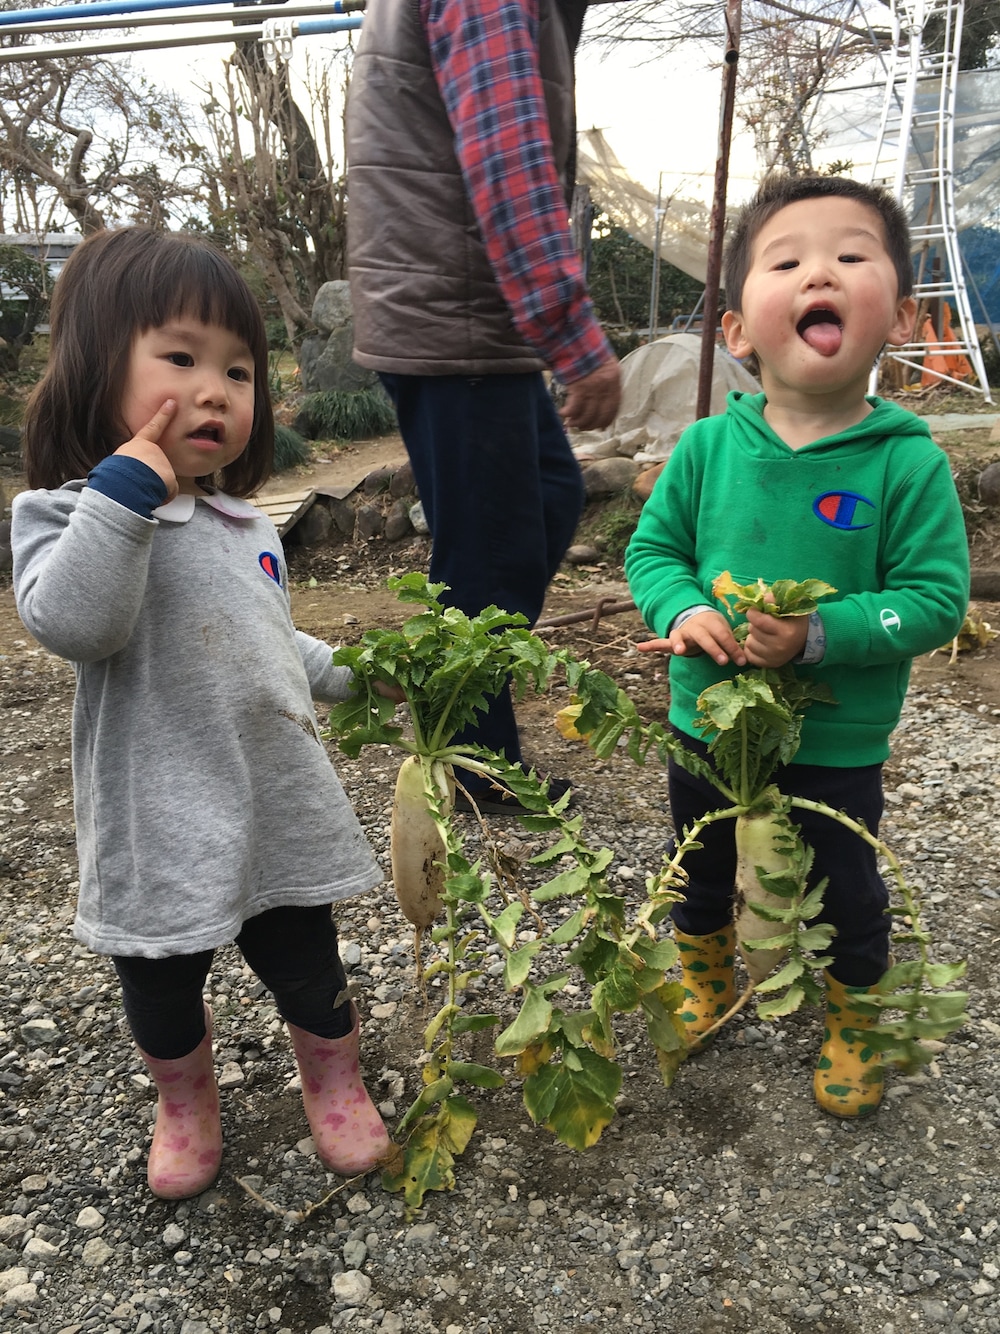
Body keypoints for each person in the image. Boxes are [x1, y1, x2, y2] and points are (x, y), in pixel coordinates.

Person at [11, 228, 392, 1199]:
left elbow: (273, 643)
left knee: (308, 962)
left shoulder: (249, 524)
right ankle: (184, 1103)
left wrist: (365, 674)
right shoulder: (64, 513)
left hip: (275, 797)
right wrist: (125, 493)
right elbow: (76, 623)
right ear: (96, 367)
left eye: (238, 370)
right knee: (162, 981)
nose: (216, 390)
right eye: (181, 358)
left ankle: (334, 1080)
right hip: (158, 814)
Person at [624, 174, 969, 1118]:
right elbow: (653, 553)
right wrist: (680, 610)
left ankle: (857, 1015)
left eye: (851, 255)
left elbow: (935, 601)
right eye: (788, 261)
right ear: (738, 330)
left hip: (835, 740)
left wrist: (818, 634)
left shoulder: (907, 462)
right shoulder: (706, 449)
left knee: (844, 883)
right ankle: (706, 971)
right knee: (699, 863)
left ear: (901, 317)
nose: (821, 272)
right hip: (707, 722)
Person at [346, 0, 621, 814]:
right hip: (452, 314)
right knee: (490, 553)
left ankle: (449, 700)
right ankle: (472, 760)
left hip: (464, 312)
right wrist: (573, 336)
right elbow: (508, 164)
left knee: (545, 499)